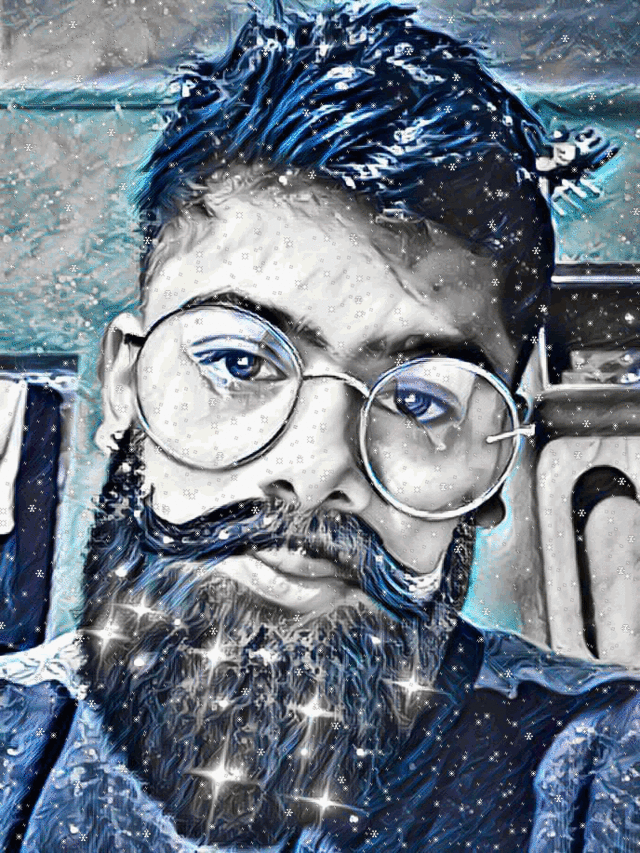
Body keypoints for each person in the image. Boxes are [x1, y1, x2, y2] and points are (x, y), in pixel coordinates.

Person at [1, 4, 638, 851]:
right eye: (238, 361)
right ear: (125, 384)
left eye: (420, 402)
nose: (314, 468)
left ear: (494, 466)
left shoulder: (600, 774)